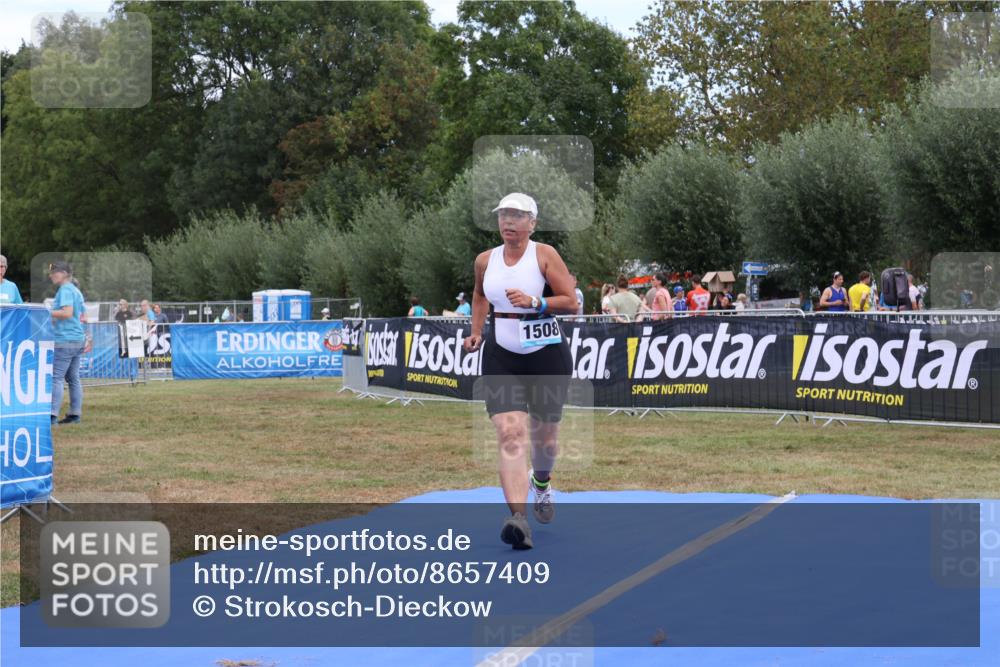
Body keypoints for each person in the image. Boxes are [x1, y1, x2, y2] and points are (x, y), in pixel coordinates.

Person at [463, 192, 576, 550]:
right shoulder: (485, 260)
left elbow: (571, 301)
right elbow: (480, 295)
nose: (508, 222)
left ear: (533, 223)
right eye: (503, 215)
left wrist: (537, 302)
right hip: (502, 355)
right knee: (510, 434)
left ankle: (541, 483)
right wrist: (477, 331)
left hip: (545, 355)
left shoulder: (544, 255)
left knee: (544, 438)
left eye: (517, 216)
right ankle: (519, 519)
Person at [48, 261, 86, 425]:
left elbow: (67, 313)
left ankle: (51, 416)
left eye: (54, 272)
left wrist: (47, 313)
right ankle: (74, 414)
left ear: (63, 273)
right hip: (77, 339)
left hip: (65, 339)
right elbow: (81, 315)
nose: (51, 275)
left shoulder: (65, 290)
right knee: (73, 378)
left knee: (56, 378)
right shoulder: (75, 290)